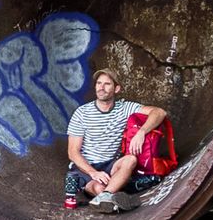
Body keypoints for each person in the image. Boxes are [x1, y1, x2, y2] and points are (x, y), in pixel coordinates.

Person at [64, 68, 167, 210]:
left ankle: (106, 196)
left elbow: (159, 112)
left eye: (107, 84)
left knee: (131, 159)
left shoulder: (124, 108)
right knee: (98, 187)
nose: (101, 87)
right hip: (85, 167)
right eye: (99, 83)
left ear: (116, 88)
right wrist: (93, 172)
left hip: (111, 165)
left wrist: (142, 132)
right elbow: (73, 152)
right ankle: (111, 194)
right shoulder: (82, 113)